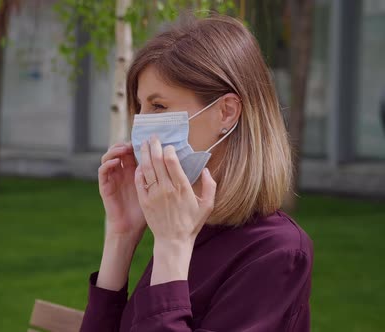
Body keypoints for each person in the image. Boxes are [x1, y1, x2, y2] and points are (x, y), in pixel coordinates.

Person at [80, 13, 313, 332]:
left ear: (226, 112)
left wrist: (172, 247)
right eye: (140, 107)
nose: (141, 125)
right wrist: (121, 235)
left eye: (158, 107)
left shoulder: (278, 252)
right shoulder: (190, 226)